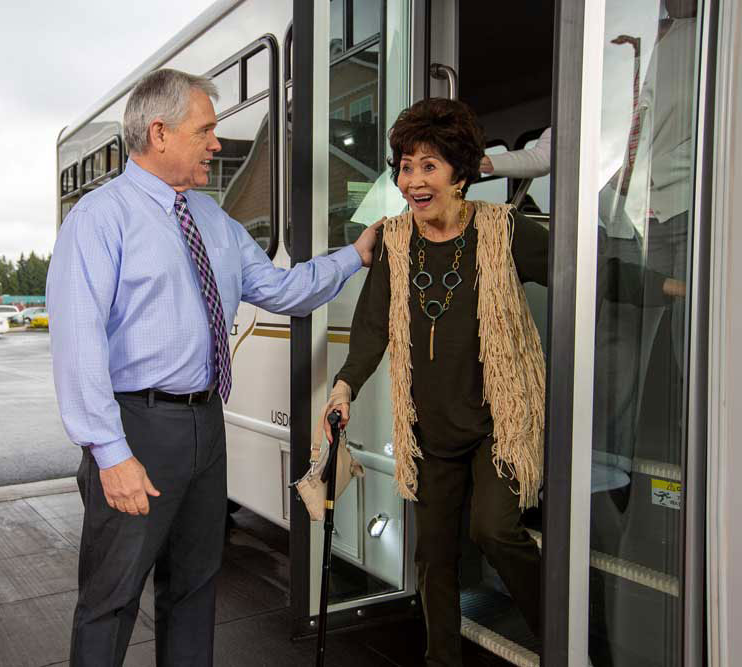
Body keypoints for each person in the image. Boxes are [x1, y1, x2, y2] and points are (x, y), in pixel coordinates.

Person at [319, 98, 679, 667]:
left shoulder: (503, 230)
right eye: (406, 166)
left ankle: (562, 635)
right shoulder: (392, 242)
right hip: (429, 427)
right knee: (434, 557)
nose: (413, 180)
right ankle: (443, 660)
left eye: (428, 166)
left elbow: (586, 269)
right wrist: (344, 388)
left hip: (499, 421)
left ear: (461, 175)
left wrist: (665, 287)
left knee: (493, 530)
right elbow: (370, 328)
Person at [46, 68, 383, 667]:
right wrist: (109, 452)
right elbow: (78, 345)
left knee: (196, 589)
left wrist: (354, 256)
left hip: (206, 424)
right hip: (136, 428)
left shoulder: (213, 222)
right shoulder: (100, 219)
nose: (217, 143)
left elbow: (281, 289)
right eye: (205, 130)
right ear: (159, 133)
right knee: (111, 597)